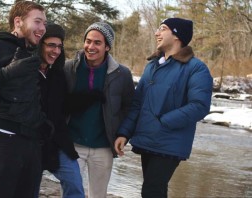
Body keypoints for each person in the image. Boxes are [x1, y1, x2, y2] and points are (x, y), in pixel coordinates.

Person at [114, 17, 213, 198]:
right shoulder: (152, 66)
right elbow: (137, 104)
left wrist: (164, 121)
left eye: (163, 29)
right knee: (155, 191)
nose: (156, 33)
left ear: (176, 35)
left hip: (169, 142)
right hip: (148, 139)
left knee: (151, 191)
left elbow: (200, 106)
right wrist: (124, 133)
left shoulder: (195, 68)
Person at [0, 2, 54, 198]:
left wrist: (41, 125)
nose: (42, 28)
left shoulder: (31, 52)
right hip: (2, 142)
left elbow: (25, 97)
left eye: (45, 23)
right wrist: (7, 73)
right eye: (38, 21)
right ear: (18, 21)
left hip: (29, 144)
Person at [64, 21, 134, 198]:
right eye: (88, 41)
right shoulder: (68, 68)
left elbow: (129, 108)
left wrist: (123, 134)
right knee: (71, 192)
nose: (90, 46)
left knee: (98, 195)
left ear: (107, 47)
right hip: (72, 144)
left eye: (97, 42)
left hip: (103, 146)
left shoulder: (122, 74)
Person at [35, 23, 84, 198]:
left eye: (59, 46)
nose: (56, 51)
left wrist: (90, 97)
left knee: (75, 185)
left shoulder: (57, 74)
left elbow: (63, 105)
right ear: (40, 44)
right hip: (30, 144)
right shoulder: (26, 71)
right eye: (51, 45)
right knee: (29, 190)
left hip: (58, 142)